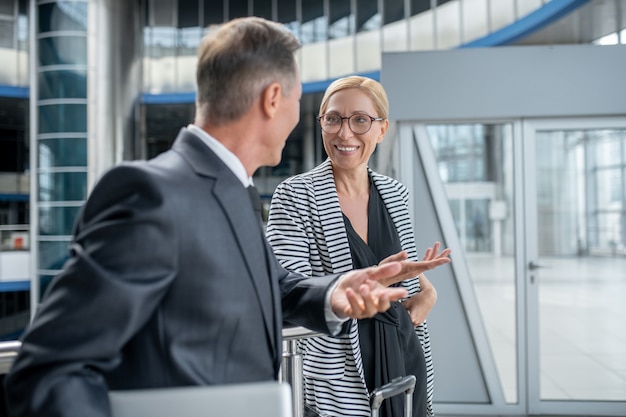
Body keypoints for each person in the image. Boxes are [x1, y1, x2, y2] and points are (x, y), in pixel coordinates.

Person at [2, 18, 440, 417]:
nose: (300, 115)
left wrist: (334, 294)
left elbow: (274, 285)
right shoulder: (151, 195)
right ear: (273, 99)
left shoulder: (234, 191)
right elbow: (50, 371)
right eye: (298, 97)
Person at [266, 76, 451, 417]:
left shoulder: (396, 195)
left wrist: (426, 295)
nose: (345, 133)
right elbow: (286, 297)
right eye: (333, 119)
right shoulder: (295, 196)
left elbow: (404, 280)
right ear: (321, 124)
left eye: (361, 120)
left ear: (382, 129)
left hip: (403, 358)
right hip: (336, 376)